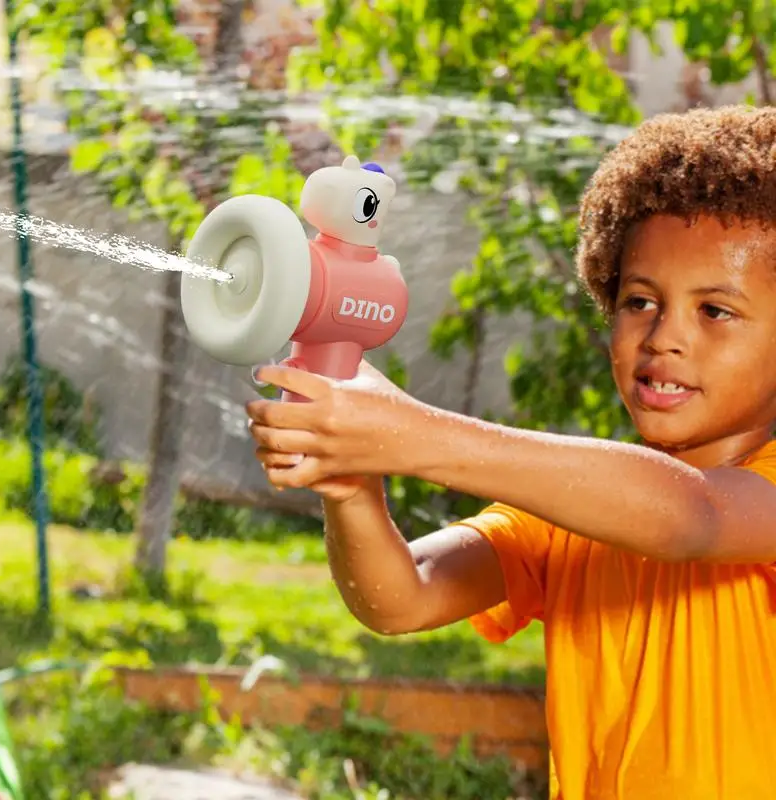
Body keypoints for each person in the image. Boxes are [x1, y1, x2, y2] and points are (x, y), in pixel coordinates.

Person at [245, 105, 776, 799]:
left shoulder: (722, 500)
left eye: (715, 311)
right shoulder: (577, 512)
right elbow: (401, 597)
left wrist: (412, 434)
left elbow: (691, 517)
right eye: (640, 300)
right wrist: (353, 484)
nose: (663, 338)